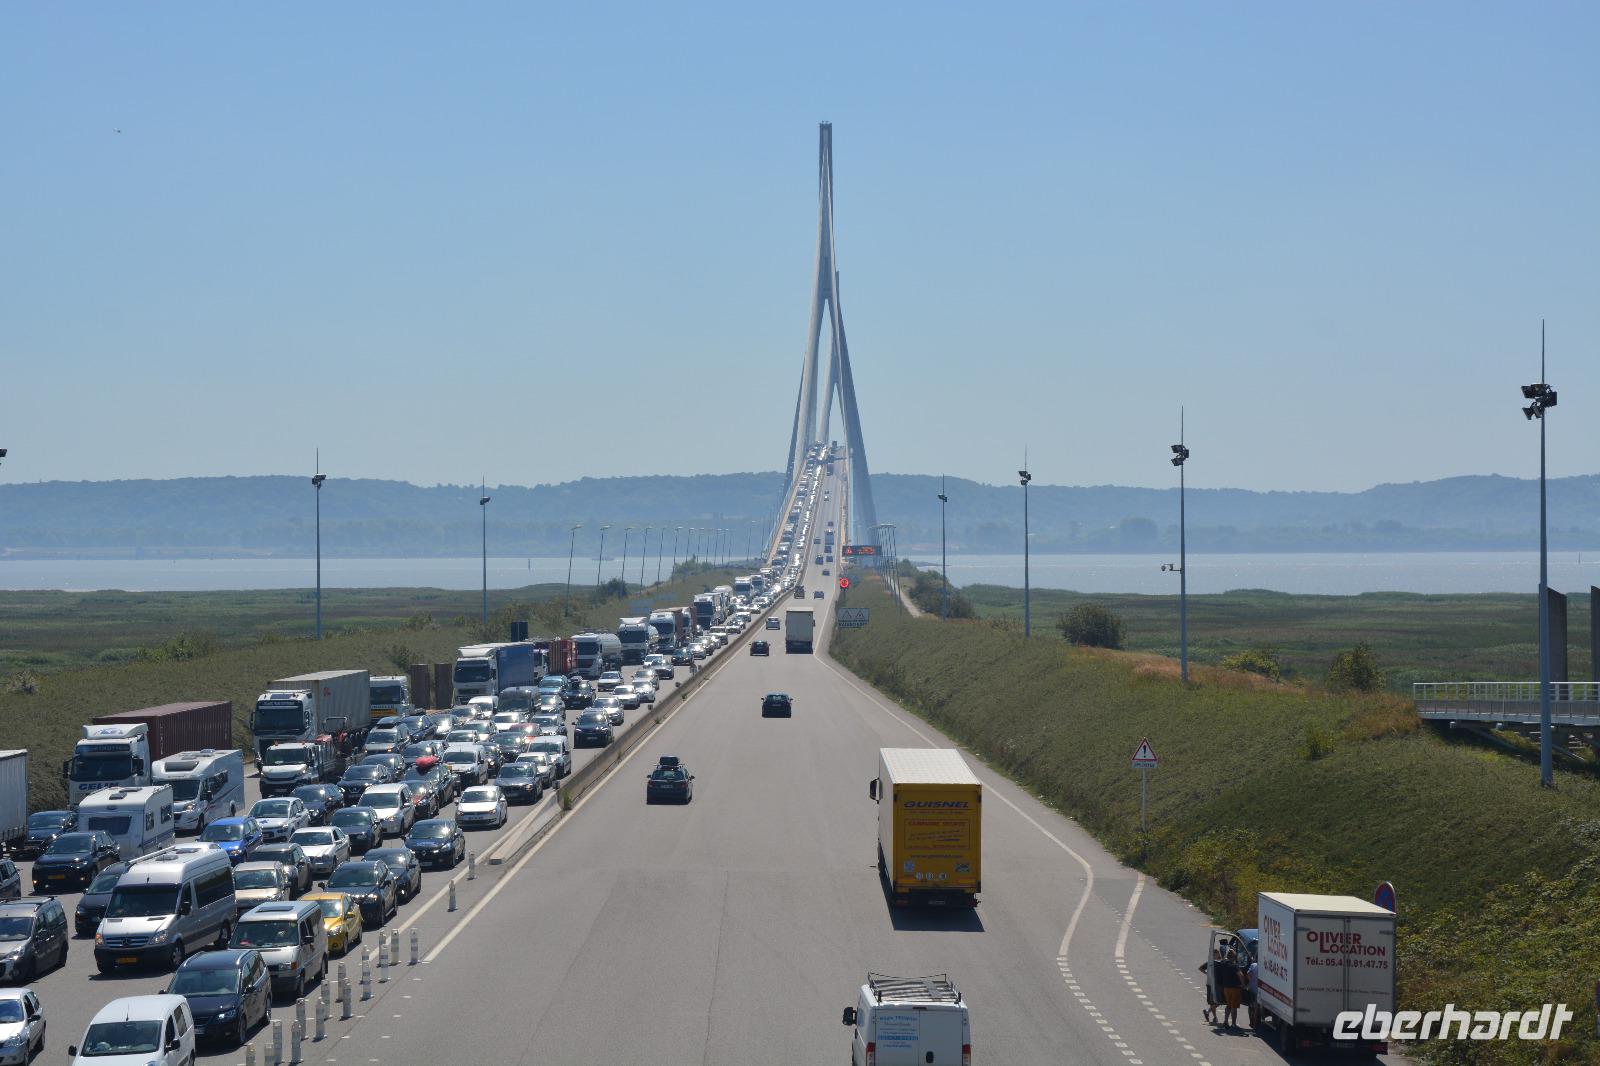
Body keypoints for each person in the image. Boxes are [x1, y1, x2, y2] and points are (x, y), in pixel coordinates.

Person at [1220, 948, 1244, 1029]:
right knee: (1234, 1006)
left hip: (1226, 988)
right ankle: (1233, 1024)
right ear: (1234, 956)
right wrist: (1243, 984)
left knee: (1228, 1005)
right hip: (1235, 988)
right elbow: (1240, 975)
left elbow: (1222, 960)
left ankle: (1225, 1021)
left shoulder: (1224, 964)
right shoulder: (1235, 966)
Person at [1198, 946, 1222, 1024]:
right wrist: (1207, 974)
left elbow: (1200, 968)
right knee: (1217, 1001)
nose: (1218, 955)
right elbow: (1200, 968)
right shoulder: (1212, 962)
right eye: (1217, 954)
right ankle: (1209, 1013)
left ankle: (1213, 1017)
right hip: (1215, 984)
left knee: (1214, 1002)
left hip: (1212, 983)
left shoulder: (1216, 962)